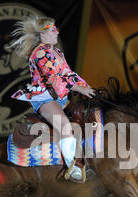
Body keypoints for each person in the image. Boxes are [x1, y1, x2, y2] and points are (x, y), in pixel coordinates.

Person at [10, 15, 95, 182]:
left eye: (56, 29)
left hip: (60, 97)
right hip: (45, 98)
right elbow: (53, 78)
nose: (57, 32)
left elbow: (69, 74)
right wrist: (80, 89)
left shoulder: (57, 52)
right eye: (52, 30)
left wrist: (87, 88)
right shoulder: (40, 53)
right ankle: (74, 168)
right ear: (42, 34)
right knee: (64, 125)